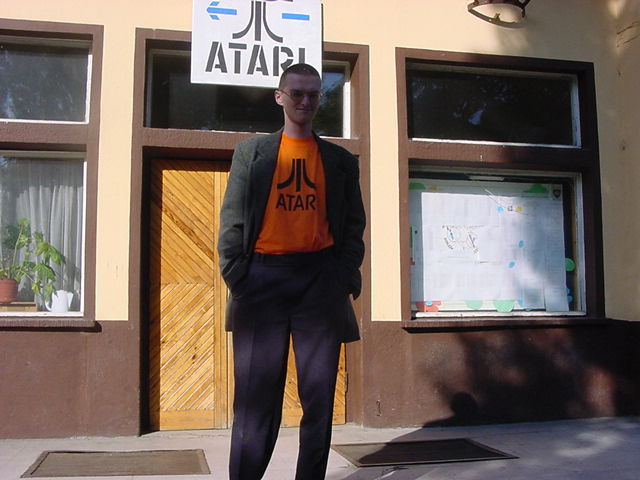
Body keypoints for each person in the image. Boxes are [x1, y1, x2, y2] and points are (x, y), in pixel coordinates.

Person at [217, 63, 366, 480]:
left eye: (313, 94)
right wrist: (239, 278)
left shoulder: (339, 160)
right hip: (261, 281)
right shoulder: (252, 154)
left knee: (318, 400)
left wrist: (342, 276)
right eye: (296, 93)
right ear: (279, 96)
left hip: (320, 283)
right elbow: (232, 222)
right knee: (254, 400)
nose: (305, 101)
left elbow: (354, 226)